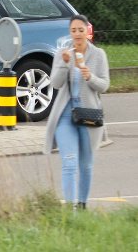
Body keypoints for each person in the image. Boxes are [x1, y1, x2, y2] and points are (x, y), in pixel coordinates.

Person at [44, 14, 110, 210]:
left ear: (87, 31)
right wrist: (65, 64)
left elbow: (104, 85)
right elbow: (55, 84)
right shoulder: (62, 54)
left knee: (86, 165)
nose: (77, 34)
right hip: (65, 115)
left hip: (89, 115)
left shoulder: (98, 55)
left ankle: (82, 205)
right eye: (73, 30)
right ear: (70, 32)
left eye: (81, 30)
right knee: (69, 162)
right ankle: (71, 209)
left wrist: (90, 76)